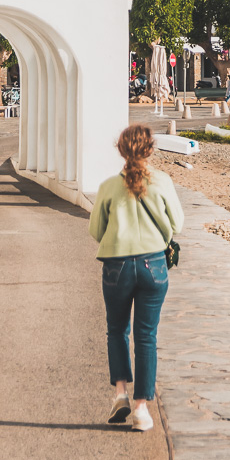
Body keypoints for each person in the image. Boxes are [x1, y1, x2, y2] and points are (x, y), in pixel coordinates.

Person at [89, 124, 184, 431]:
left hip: (117, 265)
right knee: (147, 336)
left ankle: (120, 394)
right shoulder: (163, 182)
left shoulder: (107, 187)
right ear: (151, 149)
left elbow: (95, 231)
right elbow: (178, 224)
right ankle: (142, 410)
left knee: (116, 330)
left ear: (121, 150)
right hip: (152, 265)